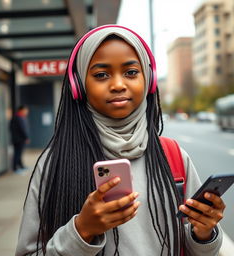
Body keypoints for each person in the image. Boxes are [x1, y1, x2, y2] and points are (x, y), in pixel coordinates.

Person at [15, 25, 225, 256]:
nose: (118, 84)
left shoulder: (173, 156)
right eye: (101, 75)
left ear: (150, 80)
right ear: (79, 87)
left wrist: (204, 233)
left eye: (131, 72)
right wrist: (81, 231)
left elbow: (200, 250)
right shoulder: (54, 162)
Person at [10, 105, 30, 173]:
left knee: (19, 153)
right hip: (19, 139)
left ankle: (21, 166)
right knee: (17, 153)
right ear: (21, 110)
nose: (27, 112)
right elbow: (22, 129)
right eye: (25, 110)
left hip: (18, 139)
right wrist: (26, 137)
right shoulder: (18, 118)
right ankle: (15, 168)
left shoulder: (17, 117)